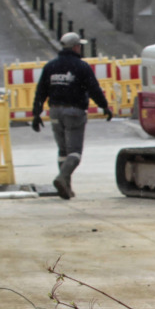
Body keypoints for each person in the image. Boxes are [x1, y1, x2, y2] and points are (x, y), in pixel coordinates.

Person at [31, 32, 113, 200]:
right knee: (74, 152)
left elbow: (41, 92)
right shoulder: (81, 67)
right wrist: (104, 106)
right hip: (74, 111)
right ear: (76, 47)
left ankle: (66, 188)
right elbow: (93, 89)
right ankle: (62, 178)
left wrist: (36, 114)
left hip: (55, 111)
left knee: (63, 151)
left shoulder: (50, 66)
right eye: (79, 46)